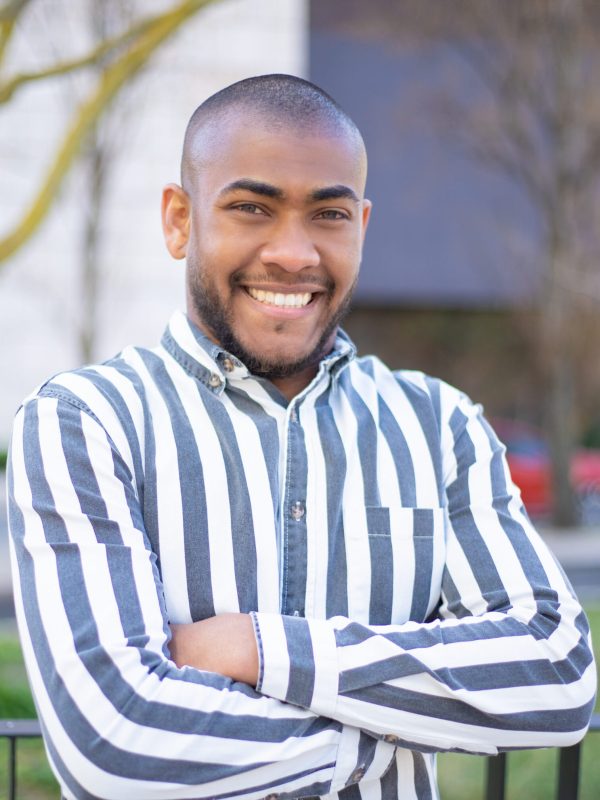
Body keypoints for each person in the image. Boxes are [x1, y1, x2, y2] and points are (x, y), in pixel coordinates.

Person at [8, 74, 596, 800]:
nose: (293, 253)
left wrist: (260, 648)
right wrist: (391, 740)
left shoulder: (439, 425)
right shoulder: (84, 422)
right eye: (252, 207)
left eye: (328, 214)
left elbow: (555, 676)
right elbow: (115, 743)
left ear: (362, 228)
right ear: (179, 220)